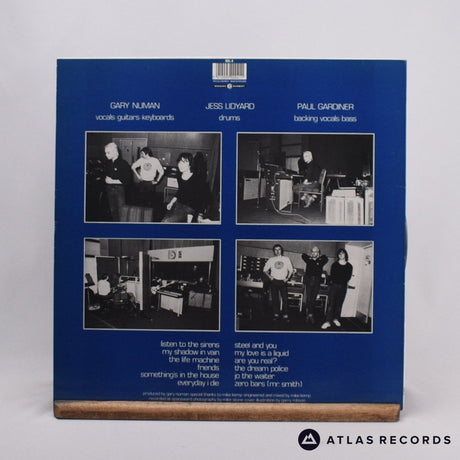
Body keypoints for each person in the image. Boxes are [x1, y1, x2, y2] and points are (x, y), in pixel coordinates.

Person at [162, 152, 210, 222]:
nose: (180, 165)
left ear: (190, 164)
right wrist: (171, 202)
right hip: (178, 204)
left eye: (184, 162)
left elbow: (202, 197)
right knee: (163, 221)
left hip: (189, 208)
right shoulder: (179, 176)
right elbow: (180, 191)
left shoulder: (197, 177)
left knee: (167, 222)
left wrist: (198, 215)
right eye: (180, 162)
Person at [321, 248, 353, 330]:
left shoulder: (349, 266)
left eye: (342, 253)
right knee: (331, 304)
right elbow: (332, 276)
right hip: (334, 286)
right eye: (339, 253)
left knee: (339, 304)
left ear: (345, 255)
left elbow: (348, 277)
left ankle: (336, 319)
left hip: (343, 287)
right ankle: (328, 322)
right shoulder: (334, 264)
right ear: (338, 255)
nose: (341, 255)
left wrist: (341, 282)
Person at [263, 244, 293, 321]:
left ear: (281, 250)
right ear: (274, 251)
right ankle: (276, 314)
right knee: (275, 299)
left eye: (279, 249)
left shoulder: (286, 259)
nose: (277, 251)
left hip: (283, 281)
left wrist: (287, 278)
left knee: (285, 299)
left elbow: (291, 270)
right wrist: (270, 277)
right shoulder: (271, 259)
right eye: (275, 250)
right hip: (274, 281)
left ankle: (285, 315)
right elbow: (265, 270)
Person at [103, 142, 132, 221]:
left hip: (119, 190)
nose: (106, 155)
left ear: (115, 152)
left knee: (121, 212)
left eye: (108, 153)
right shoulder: (109, 163)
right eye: (105, 153)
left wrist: (112, 181)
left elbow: (127, 181)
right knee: (113, 211)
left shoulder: (123, 164)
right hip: (109, 189)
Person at [302, 246, 328, 323]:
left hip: (317, 281)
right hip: (309, 281)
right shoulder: (309, 260)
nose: (313, 253)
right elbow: (303, 255)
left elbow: (325, 258)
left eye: (315, 252)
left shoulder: (321, 260)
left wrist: (317, 258)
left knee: (313, 298)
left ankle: (310, 313)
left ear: (318, 253)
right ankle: (309, 314)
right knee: (309, 298)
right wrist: (311, 258)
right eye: (312, 252)